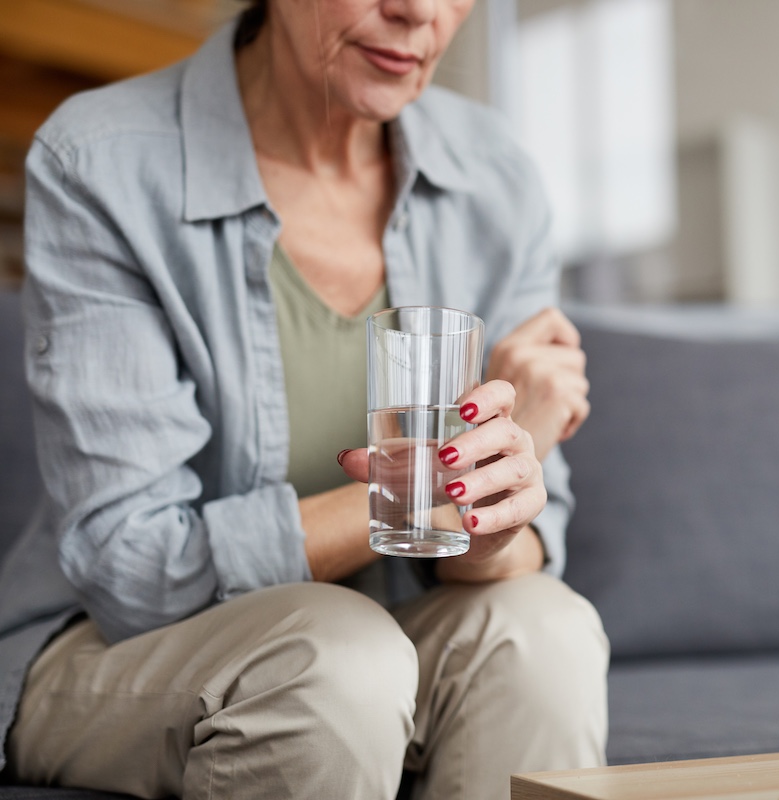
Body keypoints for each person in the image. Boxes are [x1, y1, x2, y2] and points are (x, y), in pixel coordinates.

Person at [0, 0, 609, 797]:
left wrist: (496, 508)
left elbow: (534, 546)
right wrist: (426, 492)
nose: (417, 11)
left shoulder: (494, 174)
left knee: (547, 630)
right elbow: (134, 570)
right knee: (335, 653)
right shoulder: (101, 162)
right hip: (120, 644)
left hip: (391, 637)